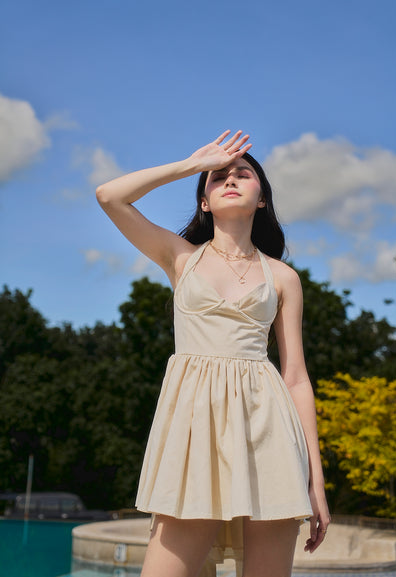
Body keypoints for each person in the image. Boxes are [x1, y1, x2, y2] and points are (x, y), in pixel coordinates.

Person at [96, 130, 331, 577]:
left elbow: (296, 377)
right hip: (193, 437)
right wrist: (192, 164)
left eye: (243, 173)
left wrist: (316, 481)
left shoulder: (283, 278)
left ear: (261, 198)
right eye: (217, 177)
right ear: (204, 201)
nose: (230, 178)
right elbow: (109, 196)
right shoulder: (180, 258)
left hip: (269, 433)